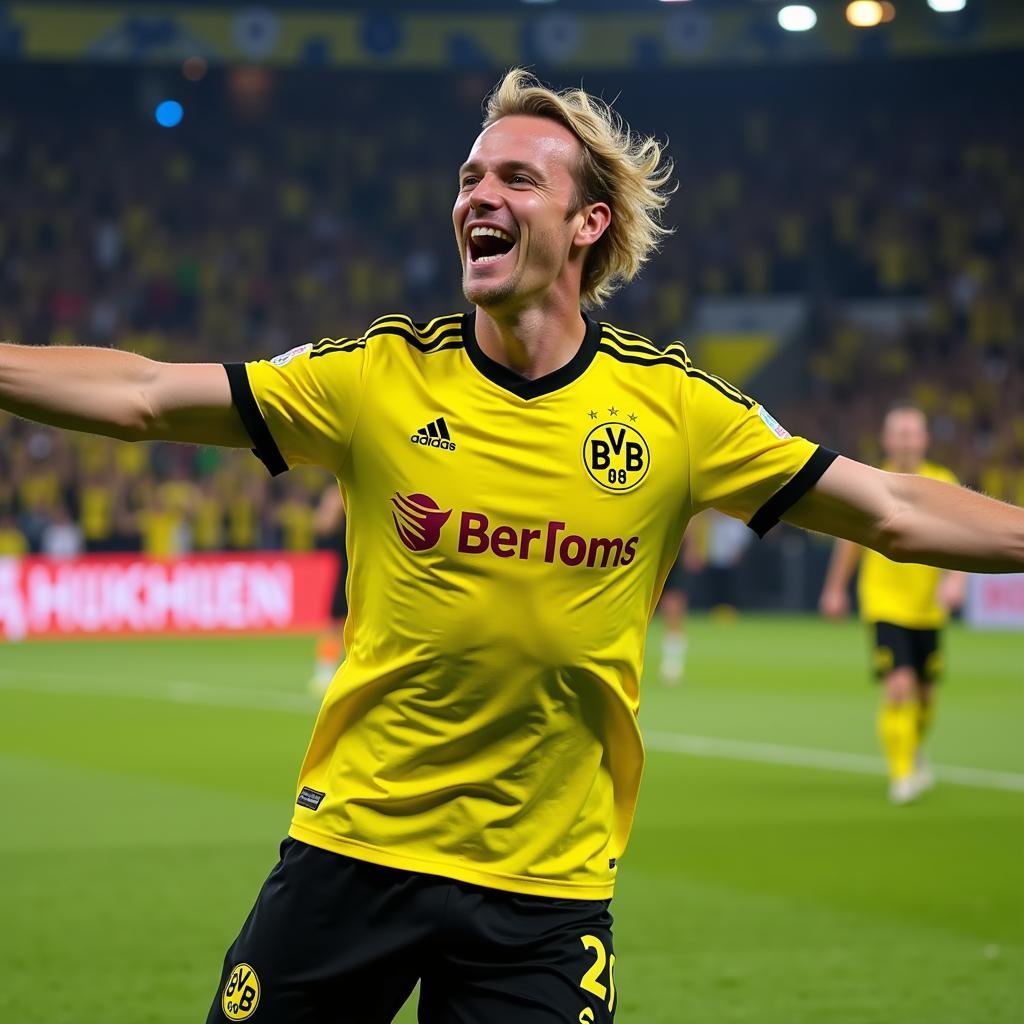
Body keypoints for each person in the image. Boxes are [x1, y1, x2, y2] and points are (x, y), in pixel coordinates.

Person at [2, 69, 1022, 1023]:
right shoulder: (376, 379)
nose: (476, 195)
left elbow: (890, 507)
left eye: (514, 178)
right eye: (468, 177)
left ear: (588, 223)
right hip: (353, 850)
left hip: (543, 897)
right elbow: (142, 395)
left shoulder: (673, 411)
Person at [819, 405, 966, 804]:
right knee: (898, 687)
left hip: (927, 608)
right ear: (886, 440)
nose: (904, 440)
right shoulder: (871, 482)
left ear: (924, 439)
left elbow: (965, 535)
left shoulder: (943, 482)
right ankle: (901, 776)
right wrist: (835, 589)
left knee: (925, 697)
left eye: (911, 433)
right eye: (898, 433)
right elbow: (849, 542)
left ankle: (912, 750)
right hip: (883, 603)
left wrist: (956, 581)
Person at [309, 483, 348, 695]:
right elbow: (322, 526)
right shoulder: (339, 492)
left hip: (375, 565)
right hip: (349, 566)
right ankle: (324, 672)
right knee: (335, 621)